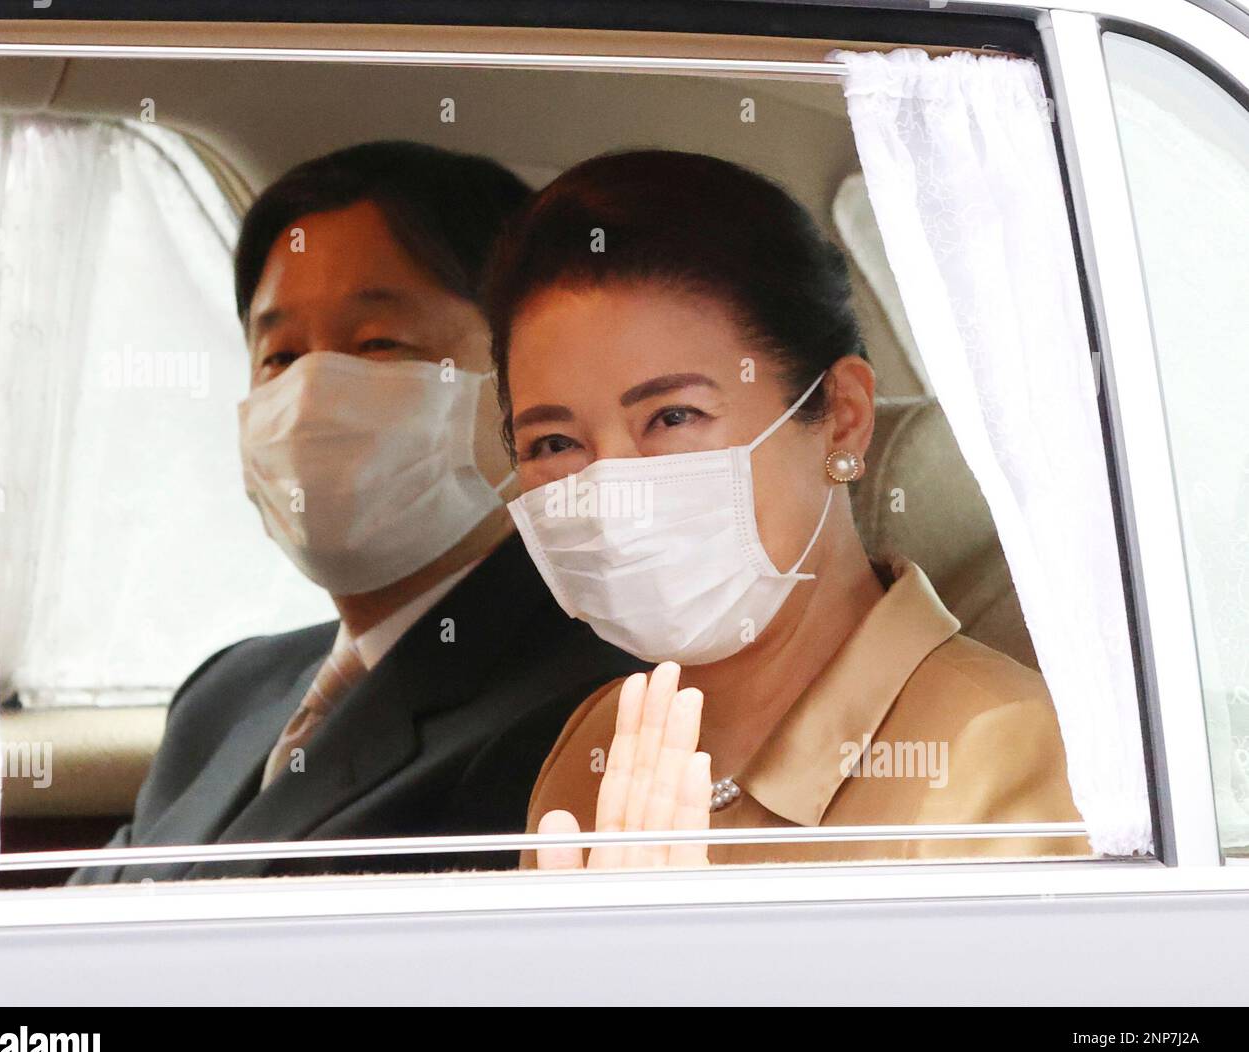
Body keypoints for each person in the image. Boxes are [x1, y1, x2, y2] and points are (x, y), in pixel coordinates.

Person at [483, 149, 1092, 869]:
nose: (613, 487)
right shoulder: (603, 742)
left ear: (840, 418)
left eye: (673, 416)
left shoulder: (1001, 749)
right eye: (555, 440)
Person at [69, 142, 641, 885]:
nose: (311, 395)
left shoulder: (588, 709)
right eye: (278, 356)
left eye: (377, 343)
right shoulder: (228, 691)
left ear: (527, 383)